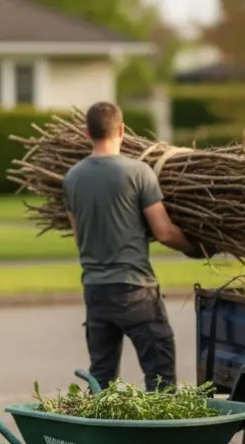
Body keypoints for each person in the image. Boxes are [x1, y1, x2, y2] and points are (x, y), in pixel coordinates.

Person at [62, 101, 207, 391]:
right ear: (122, 131)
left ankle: (100, 422)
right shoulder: (138, 173)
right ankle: (160, 423)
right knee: (160, 378)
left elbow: (80, 237)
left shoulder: (72, 178)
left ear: (87, 132)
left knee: (101, 381)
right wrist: (197, 248)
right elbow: (164, 232)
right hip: (135, 290)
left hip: (95, 291)